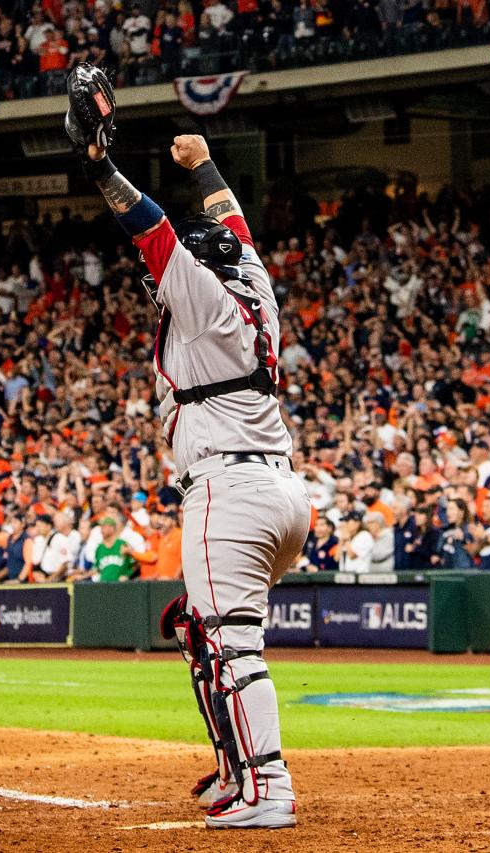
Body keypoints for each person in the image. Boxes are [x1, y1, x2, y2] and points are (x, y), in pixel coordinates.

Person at [66, 65, 308, 828]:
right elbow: (228, 218)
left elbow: (151, 229)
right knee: (203, 635)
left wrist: (101, 163)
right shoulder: (255, 279)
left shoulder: (199, 292)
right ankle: (239, 769)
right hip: (280, 490)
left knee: (233, 640)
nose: (156, 283)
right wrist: (201, 161)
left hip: (228, 492)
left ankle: (268, 786)